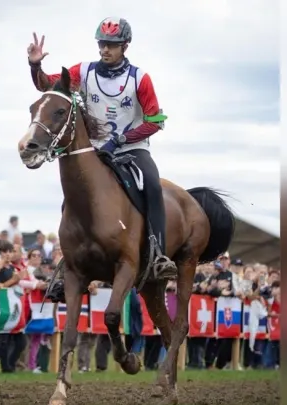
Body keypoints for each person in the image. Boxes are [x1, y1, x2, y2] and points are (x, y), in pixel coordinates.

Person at [26, 17, 177, 280]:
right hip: (94, 149)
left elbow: (154, 123)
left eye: (112, 45)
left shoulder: (140, 79)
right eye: (102, 44)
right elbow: (48, 85)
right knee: (74, 194)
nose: (105, 49)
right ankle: (68, 263)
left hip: (132, 148)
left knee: (152, 185)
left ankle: (159, 254)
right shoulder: (83, 71)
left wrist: (120, 140)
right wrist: (35, 64)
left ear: (125, 46)